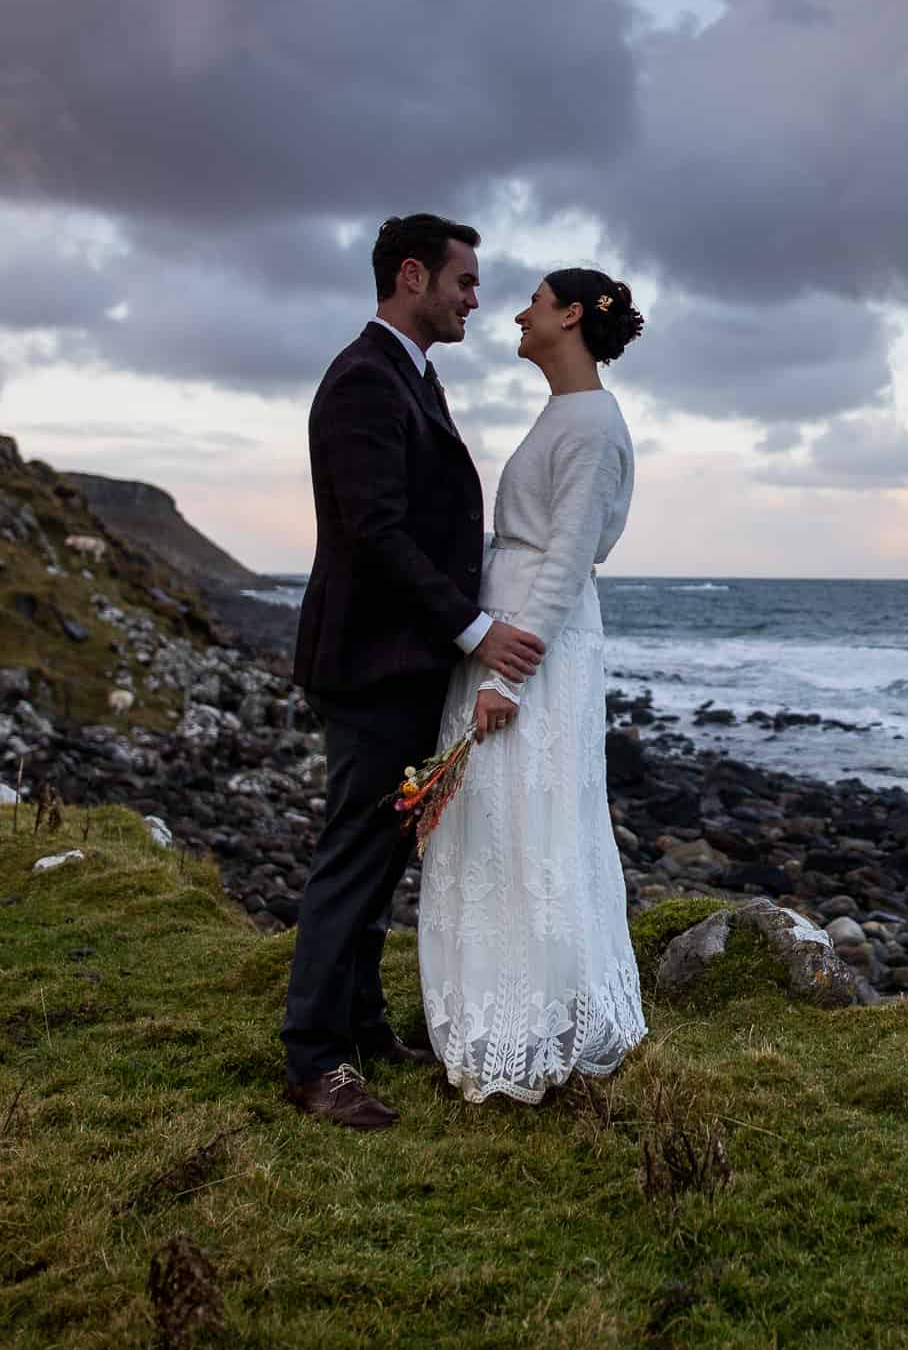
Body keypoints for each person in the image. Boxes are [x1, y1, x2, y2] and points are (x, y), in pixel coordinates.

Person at [282, 213, 547, 1129]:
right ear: (410, 276)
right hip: (369, 663)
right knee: (351, 861)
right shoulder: (364, 380)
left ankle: (358, 1024)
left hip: (398, 661)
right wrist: (476, 630)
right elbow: (377, 533)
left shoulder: (409, 378)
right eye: (464, 280)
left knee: (381, 856)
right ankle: (316, 1060)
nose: (477, 298)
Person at [415, 266, 647, 1102]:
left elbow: (568, 555)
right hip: (512, 629)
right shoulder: (567, 413)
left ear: (572, 316)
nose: (517, 312)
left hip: (531, 648)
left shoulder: (590, 424)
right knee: (500, 827)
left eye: (536, 302)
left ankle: (531, 1026)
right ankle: (503, 1015)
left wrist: (509, 678)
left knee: (528, 829)